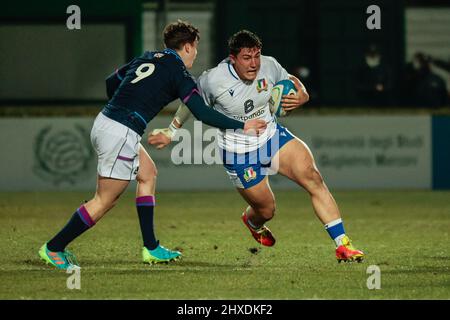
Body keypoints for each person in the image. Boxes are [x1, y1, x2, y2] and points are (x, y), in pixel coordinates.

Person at [38, 21, 267, 270]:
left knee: (147, 174)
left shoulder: (146, 58)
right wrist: (243, 126)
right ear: (189, 46)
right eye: (196, 47)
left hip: (106, 122)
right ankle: (54, 248)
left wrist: (129, 101)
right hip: (120, 132)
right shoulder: (179, 73)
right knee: (105, 199)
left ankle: (151, 248)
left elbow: (110, 83)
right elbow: (202, 113)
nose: (196, 53)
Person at [149, 30, 364, 263]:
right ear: (233, 58)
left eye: (256, 56)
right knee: (267, 210)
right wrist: (171, 131)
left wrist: (303, 94)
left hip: (272, 136)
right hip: (239, 153)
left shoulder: (269, 65)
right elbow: (191, 104)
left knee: (313, 178)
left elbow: (291, 80)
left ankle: (342, 244)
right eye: (247, 58)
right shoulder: (213, 80)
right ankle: (252, 222)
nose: (254, 64)